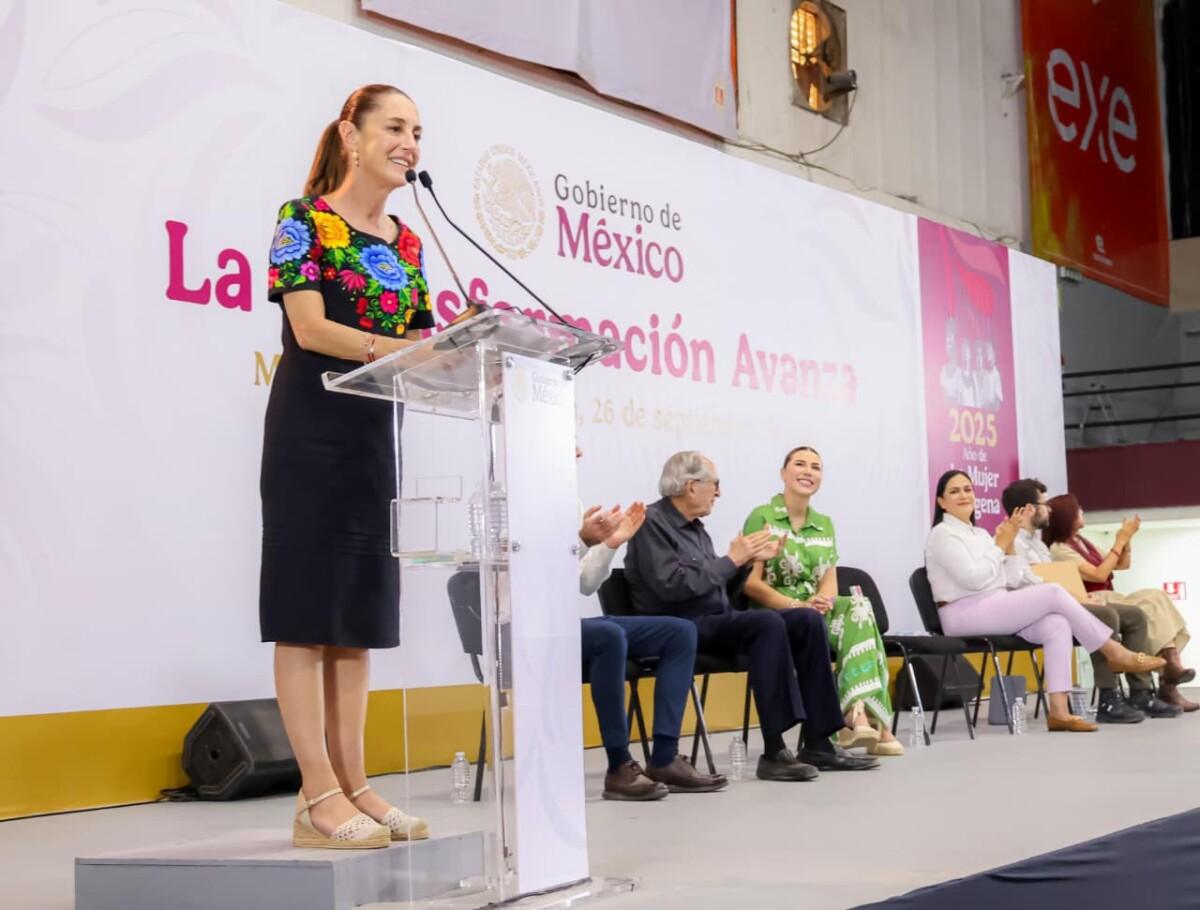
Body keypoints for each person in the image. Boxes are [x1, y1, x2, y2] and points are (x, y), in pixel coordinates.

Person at [260, 84, 438, 849]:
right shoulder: (303, 221)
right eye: (394, 126)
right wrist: (399, 351)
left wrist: (468, 361)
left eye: (417, 131)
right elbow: (309, 328)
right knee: (308, 614)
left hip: (372, 439)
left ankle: (355, 785)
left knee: (355, 622)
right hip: (310, 434)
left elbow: (430, 346)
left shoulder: (408, 243)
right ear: (350, 135)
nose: (410, 143)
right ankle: (317, 794)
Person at [624, 451, 878, 781]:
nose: (719, 492)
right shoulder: (651, 523)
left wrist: (747, 562)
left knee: (807, 620)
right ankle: (774, 750)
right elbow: (672, 588)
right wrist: (732, 560)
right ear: (691, 486)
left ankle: (819, 741)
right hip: (677, 626)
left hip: (713, 619)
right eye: (715, 484)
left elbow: (715, 588)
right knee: (766, 621)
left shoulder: (696, 530)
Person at [925, 471, 1165, 732]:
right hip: (962, 614)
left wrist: (1009, 547)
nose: (963, 495)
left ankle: (1059, 712)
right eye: (954, 491)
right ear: (941, 502)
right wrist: (1000, 546)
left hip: (994, 604)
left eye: (967, 489)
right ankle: (1113, 651)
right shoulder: (942, 535)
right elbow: (973, 580)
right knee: (1052, 592)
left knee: (1057, 624)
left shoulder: (981, 535)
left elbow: (1010, 577)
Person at [742, 446, 902, 756]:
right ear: (783, 473)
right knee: (853, 621)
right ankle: (870, 721)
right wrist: (795, 605)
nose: (808, 472)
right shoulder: (762, 516)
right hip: (776, 614)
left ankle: (856, 712)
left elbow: (830, 577)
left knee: (860, 606)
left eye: (815, 467)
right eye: (800, 464)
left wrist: (823, 600)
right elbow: (750, 583)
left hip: (814, 612)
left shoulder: (825, 523)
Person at [577, 502, 727, 799]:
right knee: (608, 635)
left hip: (567, 625)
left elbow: (585, 583)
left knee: (680, 631)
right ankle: (619, 766)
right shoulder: (510, 508)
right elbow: (528, 572)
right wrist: (582, 541)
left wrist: (609, 544)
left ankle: (665, 758)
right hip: (525, 631)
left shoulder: (570, 504)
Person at [1001, 479, 1174, 722]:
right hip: (1036, 613)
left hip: (1062, 603)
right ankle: (1108, 698)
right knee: (1105, 615)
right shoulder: (1013, 542)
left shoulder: (1037, 544)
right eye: (1044, 505)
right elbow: (1032, 585)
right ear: (1029, 509)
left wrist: (1082, 597)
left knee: (1135, 615)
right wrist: (1078, 599)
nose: (1048, 509)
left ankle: (1141, 692)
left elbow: (1057, 580)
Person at [1044, 494, 1197, 712]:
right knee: (1149, 606)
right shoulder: (1059, 549)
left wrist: (1127, 539)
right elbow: (1099, 574)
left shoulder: (1082, 542)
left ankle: (1171, 666)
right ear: (1067, 515)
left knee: (1156, 598)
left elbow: (1122, 564)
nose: (1082, 511)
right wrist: (1120, 540)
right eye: (1077, 509)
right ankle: (1168, 674)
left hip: (1111, 597)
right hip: (1093, 600)